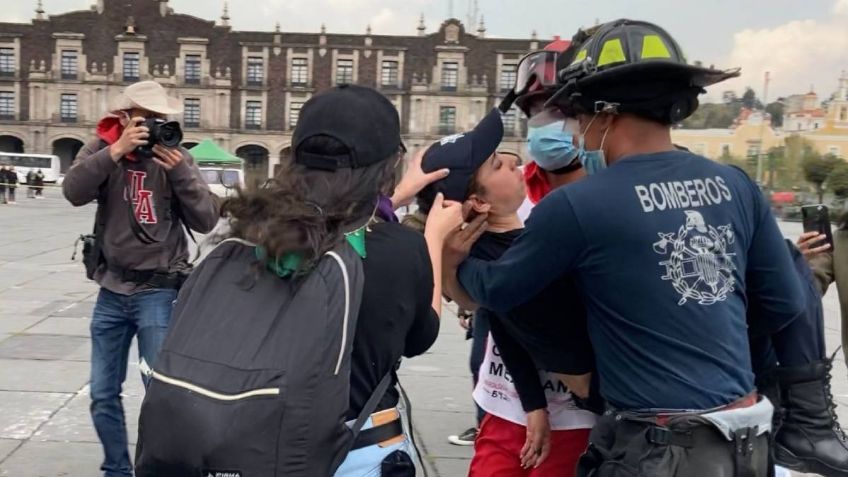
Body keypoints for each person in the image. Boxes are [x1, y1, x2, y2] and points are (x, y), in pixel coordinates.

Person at [431, 20, 805, 476]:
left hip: (656, 448)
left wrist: (452, 262)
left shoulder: (579, 205)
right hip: (745, 441)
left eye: (580, 116)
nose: (578, 132)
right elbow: (784, 302)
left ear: (604, 115)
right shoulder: (736, 185)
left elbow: (500, 291)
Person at [418, 108, 597, 476]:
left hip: (545, 411)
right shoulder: (520, 253)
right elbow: (503, 316)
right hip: (549, 410)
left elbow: (496, 311)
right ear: (480, 203)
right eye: (499, 165)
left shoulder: (485, 253)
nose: (516, 165)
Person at [62, 80, 219, 477]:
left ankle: (161, 467)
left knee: (162, 393)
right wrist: (117, 151)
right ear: (125, 116)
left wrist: (182, 174)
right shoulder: (100, 150)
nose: (153, 126)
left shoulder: (176, 156)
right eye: (145, 118)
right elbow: (73, 191)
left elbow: (206, 220)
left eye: (159, 118)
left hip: (159, 290)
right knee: (101, 393)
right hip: (112, 290)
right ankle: (117, 470)